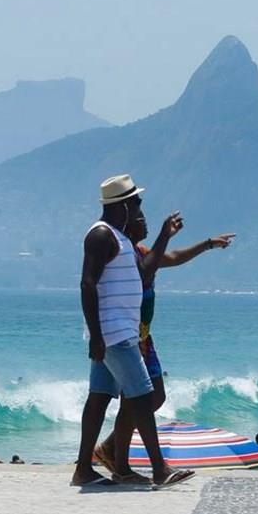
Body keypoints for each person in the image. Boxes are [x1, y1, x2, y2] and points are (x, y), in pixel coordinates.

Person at [70, 175, 192, 488]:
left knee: (99, 398)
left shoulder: (120, 239)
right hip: (114, 334)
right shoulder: (101, 235)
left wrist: (164, 236)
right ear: (122, 205)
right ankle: (159, 469)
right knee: (142, 396)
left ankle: (83, 469)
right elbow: (87, 283)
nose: (139, 208)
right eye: (135, 202)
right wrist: (96, 335)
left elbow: (143, 272)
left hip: (118, 332)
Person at [98, 209, 235, 480]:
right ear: (129, 226)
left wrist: (207, 244)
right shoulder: (125, 257)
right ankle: (121, 463)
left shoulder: (140, 251)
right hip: (128, 336)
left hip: (143, 337)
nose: (145, 223)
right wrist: (165, 236)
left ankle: (111, 449)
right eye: (141, 220)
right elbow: (145, 271)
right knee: (135, 400)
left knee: (153, 397)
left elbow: (172, 257)